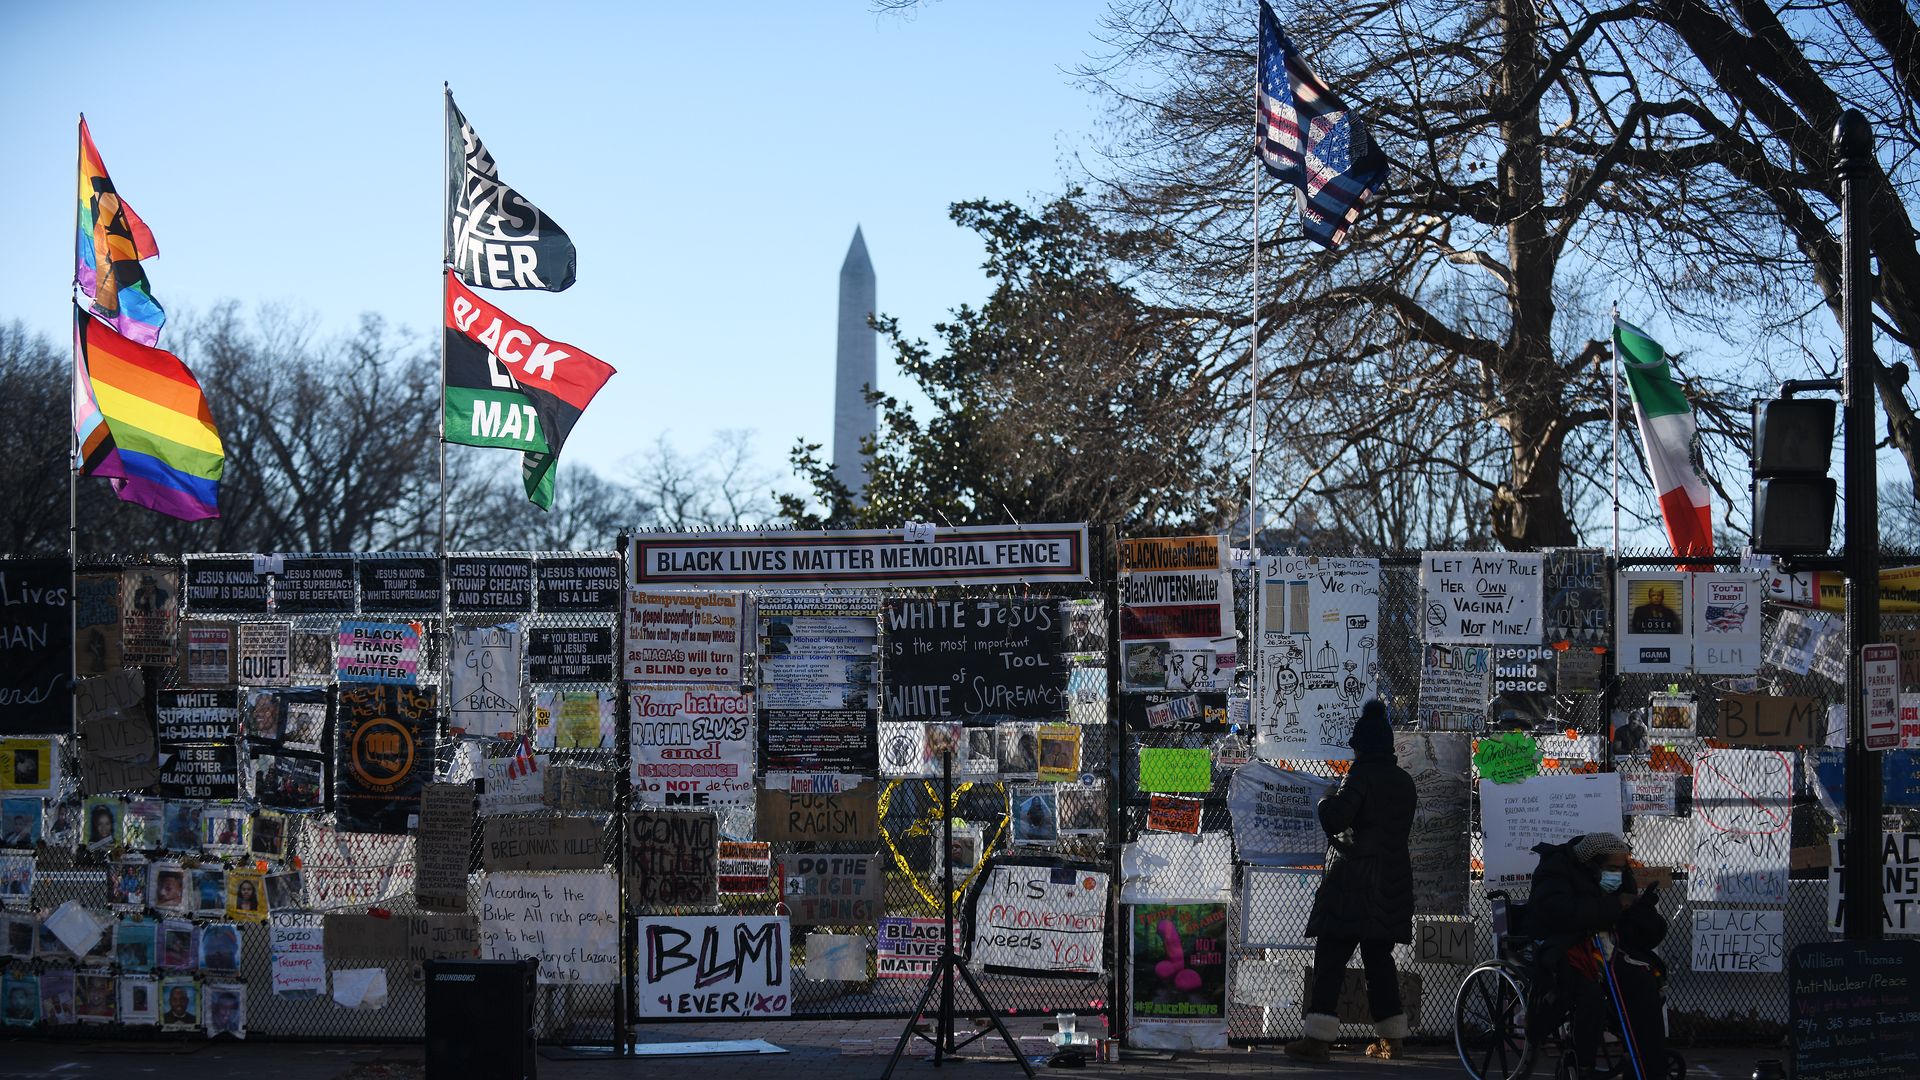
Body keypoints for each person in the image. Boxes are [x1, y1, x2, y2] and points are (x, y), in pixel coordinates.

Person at [1284, 700, 1416, 1063]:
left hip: (1356, 881)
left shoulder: (1359, 775)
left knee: (1331, 956)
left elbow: (1336, 820)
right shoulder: (1404, 782)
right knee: (1379, 961)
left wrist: (1326, 799)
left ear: (1362, 745)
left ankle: (1317, 1038)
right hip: (1392, 881)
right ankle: (1393, 1039)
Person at [1525, 833, 1667, 1078]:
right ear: (1592, 864)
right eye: (1612, 868)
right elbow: (1561, 913)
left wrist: (1641, 910)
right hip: (1566, 948)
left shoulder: (1619, 878)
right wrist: (1615, 906)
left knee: (1644, 984)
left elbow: (1631, 926)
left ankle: (1646, 1064)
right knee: (1590, 997)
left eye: (1622, 868)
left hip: (1607, 948)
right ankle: (1584, 1066)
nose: (1618, 874)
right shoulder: (1554, 871)